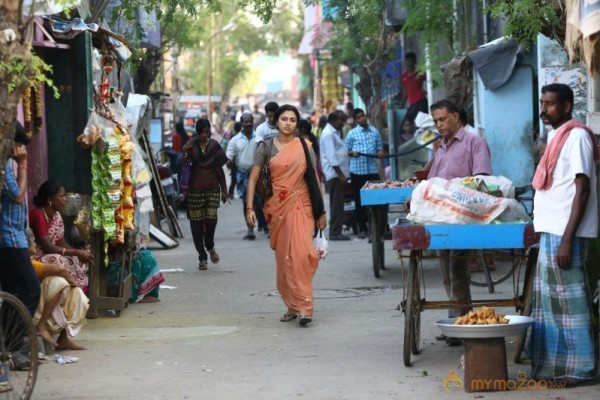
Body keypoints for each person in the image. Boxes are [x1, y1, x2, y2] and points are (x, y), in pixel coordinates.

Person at [529, 83, 598, 384]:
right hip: (553, 229)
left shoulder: (578, 136)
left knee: (572, 304)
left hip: (566, 233)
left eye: (550, 104)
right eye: (543, 103)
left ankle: (582, 369)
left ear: (567, 106)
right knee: (552, 306)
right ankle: (559, 366)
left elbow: (582, 190)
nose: (544, 109)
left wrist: (568, 240)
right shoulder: (556, 135)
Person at [245, 104, 327, 326]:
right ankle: (292, 305)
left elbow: (314, 179)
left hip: (303, 205)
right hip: (277, 209)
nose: (288, 123)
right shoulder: (266, 147)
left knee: (303, 255)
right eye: (284, 119)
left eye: (292, 119)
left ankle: (305, 307)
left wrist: (322, 211)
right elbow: (252, 179)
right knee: (285, 261)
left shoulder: (304, 146)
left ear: (296, 123)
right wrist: (249, 208)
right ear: (276, 121)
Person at [424, 99, 492, 345]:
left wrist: (456, 191)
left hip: (464, 217)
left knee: (458, 270)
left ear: (456, 117)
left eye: (442, 119)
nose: (439, 125)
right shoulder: (441, 146)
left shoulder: (474, 142)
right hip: (441, 218)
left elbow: (482, 180)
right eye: (436, 121)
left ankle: (459, 324)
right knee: (445, 270)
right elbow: (432, 181)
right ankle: (459, 319)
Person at [0, 122, 41, 317]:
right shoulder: (4, 165)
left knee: (13, 294)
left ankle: (11, 343)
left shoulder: (7, 163)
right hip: (10, 240)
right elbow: (17, 196)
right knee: (31, 292)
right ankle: (15, 342)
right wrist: (23, 164)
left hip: (13, 238)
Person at [28, 229, 89, 351]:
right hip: (32, 311)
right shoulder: (26, 263)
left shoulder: (31, 261)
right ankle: (41, 326)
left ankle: (63, 338)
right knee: (58, 282)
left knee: (76, 293)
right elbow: (59, 270)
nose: (35, 243)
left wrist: (73, 285)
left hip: (42, 305)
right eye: (33, 241)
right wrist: (73, 282)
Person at [29, 180, 94, 293]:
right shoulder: (38, 215)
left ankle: (74, 296)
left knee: (75, 260)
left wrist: (79, 253)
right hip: (36, 257)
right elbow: (48, 247)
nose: (65, 200)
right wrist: (77, 252)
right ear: (50, 199)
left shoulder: (56, 215)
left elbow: (60, 242)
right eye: (61, 196)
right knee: (59, 259)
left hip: (50, 254)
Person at [182, 118, 228, 270]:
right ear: (197, 132)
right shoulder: (191, 144)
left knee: (211, 220)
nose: (203, 135)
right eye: (201, 132)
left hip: (212, 188)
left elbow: (219, 168)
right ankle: (202, 257)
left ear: (209, 131)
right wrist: (185, 151)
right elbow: (184, 165)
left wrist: (224, 189)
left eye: (206, 132)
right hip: (195, 189)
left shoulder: (214, 145)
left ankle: (209, 244)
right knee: (195, 225)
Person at [226, 113, 267, 239]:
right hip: (242, 175)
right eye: (246, 122)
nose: (248, 124)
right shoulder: (235, 140)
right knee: (247, 203)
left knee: (261, 202)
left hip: (258, 173)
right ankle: (250, 229)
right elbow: (228, 159)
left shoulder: (259, 138)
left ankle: (264, 226)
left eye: (250, 121)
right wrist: (229, 163)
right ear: (241, 123)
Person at [345, 108, 384, 239]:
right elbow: (346, 151)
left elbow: (380, 148)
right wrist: (352, 153)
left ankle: (378, 226)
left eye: (363, 116)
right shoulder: (352, 133)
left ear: (366, 116)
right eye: (359, 117)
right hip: (357, 172)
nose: (362, 119)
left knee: (377, 199)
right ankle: (362, 227)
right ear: (356, 120)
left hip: (372, 171)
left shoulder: (375, 132)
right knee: (359, 200)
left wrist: (380, 154)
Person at [319, 110, 350, 241]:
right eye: (341, 120)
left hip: (338, 174)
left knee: (339, 203)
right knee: (336, 204)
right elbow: (331, 157)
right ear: (333, 120)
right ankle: (335, 232)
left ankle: (337, 229)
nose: (343, 124)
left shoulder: (334, 133)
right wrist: (341, 175)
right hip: (335, 175)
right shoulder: (328, 134)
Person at [400, 52, 428, 122]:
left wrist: (427, 92)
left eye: (411, 61)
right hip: (412, 105)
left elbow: (431, 81)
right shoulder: (403, 76)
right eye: (407, 61)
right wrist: (401, 106)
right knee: (405, 124)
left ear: (415, 62)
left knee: (420, 124)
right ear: (405, 62)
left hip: (421, 103)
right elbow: (405, 92)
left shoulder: (420, 73)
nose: (409, 63)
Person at [227, 121, 242, 199]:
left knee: (233, 179)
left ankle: (231, 193)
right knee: (238, 178)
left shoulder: (232, 136)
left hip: (234, 161)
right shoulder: (241, 136)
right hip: (239, 160)